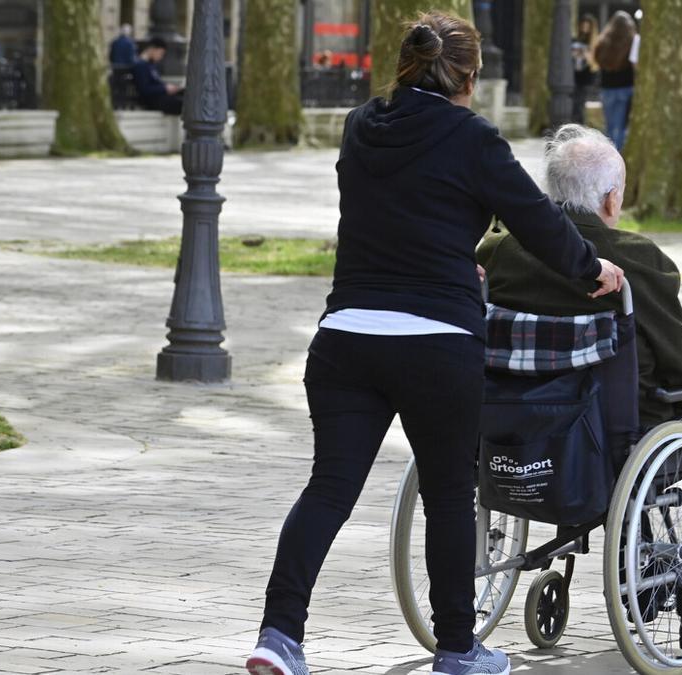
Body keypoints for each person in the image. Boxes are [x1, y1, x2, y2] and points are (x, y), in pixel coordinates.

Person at [244, 14, 624, 675]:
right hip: (435, 344)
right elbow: (536, 222)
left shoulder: (363, 126)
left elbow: (387, 211)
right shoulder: (474, 139)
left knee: (328, 489)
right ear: (470, 79)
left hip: (346, 337)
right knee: (450, 494)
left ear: (406, 66)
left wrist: (452, 254)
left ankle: (279, 635)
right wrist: (594, 269)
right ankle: (457, 649)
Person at [477, 123, 682, 638]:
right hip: (610, 439)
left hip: (515, 425)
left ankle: (646, 563)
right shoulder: (634, 259)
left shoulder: (501, 249)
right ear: (610, 199)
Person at [592, 11, 639, 151]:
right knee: (621, 127)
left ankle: (609, 154)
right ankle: (617, 156)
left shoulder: (603, 41)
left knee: (610, 126)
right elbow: (635, 64)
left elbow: (596, 60)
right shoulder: (633, 40)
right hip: (626, 87)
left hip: (607, 88)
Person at [130, 37, 183, 115]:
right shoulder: (140, 66)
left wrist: (169, 87)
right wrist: (164, 88)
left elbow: (156, 82)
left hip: (160, 98)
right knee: (185, 104)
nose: (161, 57)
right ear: (152, 49)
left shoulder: (151, 65)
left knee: (185, 95)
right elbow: (144, 89)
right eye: (160, 53)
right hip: (152, 100)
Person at [571, 14, 600, 124]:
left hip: (586, 77)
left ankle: (579, 126)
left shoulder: (594, 42)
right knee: (575, 104)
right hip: (574, 75)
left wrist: (588, 57)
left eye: (587, 27)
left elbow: (595, 66)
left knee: (579, 104)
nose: (585, 29)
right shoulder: (575, 40)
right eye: (583, 26)